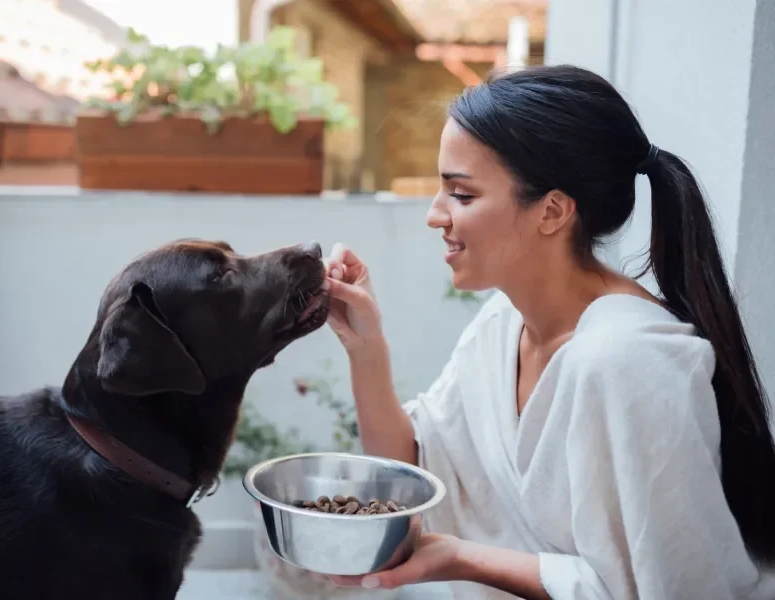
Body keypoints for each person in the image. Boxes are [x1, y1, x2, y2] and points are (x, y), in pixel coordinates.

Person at [320, 64, 775, 600]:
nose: (435, 216)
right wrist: (365, 346)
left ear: (553, 211)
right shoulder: (502, 325)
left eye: (462, 196)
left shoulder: (629, 362)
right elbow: (409, 469)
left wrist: (466, 558)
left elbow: (672, 586)